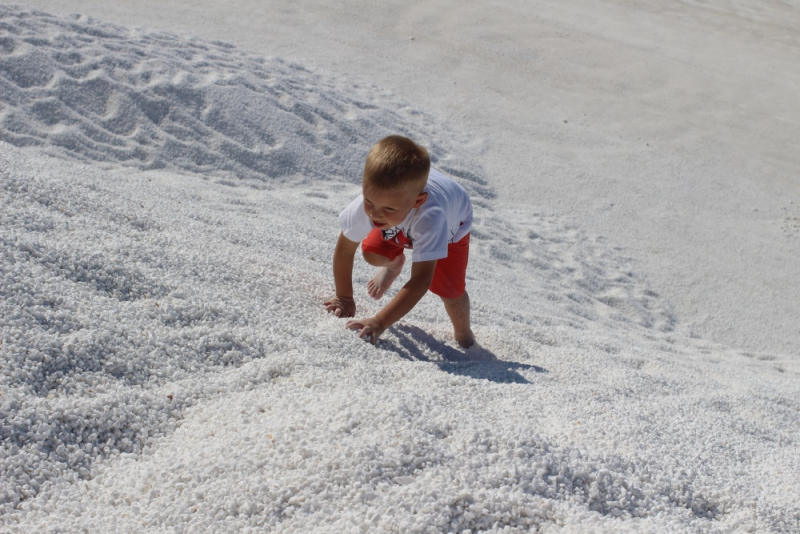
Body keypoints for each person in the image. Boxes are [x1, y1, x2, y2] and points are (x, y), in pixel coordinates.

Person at [324, 135, 475, 348]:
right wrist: (344, 297)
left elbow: (421, 279)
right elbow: (345, 249)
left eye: (387, 208)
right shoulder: (378, 202)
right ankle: (395, 264)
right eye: (369, 201)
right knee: (372, 250)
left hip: (452, 225)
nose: (375, 214)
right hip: (403, 216)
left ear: (418, 201)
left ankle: (464, 333)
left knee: (448, 289)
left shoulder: (431, 217)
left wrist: (379, 322)